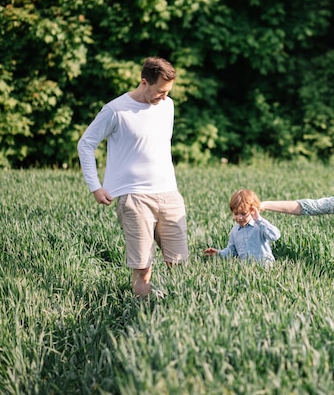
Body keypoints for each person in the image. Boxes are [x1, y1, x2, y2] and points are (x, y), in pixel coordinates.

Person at [77, 56, 188, 297]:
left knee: (179, 265)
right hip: (135, 198)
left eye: (168, 92)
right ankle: (142, 316)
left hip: (169, 194)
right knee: (143, 268)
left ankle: (178, 314)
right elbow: (86, 144)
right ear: (144, 82)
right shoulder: (115, 110)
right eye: (160, 91)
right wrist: (95, 187)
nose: (164, 97)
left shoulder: (167, 106)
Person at [204, 189, 281, 267]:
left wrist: (259, 219)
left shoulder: (259, 226)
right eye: (236, 214)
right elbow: (232, 251)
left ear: (253, 210)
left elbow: (275, 235)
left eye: (243, 214)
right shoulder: (235, 231)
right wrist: (218, 253)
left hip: (265, 268)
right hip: (246, 270)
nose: (239, 217)